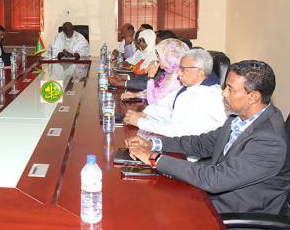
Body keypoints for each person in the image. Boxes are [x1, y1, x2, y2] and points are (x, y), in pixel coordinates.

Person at [126, 60, 290, 214]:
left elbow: (215, 179)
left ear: (253, 96)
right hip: (211, 195)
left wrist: (155, 159)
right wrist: (153, 143)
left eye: (230, 89)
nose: (224, 93)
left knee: (151, 209)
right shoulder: (239, 117)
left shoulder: (269, 139)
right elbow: (201, 143)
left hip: (233, 212)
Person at [124, 48, 227, 136]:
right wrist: (145, 114)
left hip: (188, 155)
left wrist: (141, 122)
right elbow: (166, 105)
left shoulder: (208, 97)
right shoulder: (190, 87)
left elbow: (178, 130)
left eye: (183, 69)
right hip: (176, 142)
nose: (178, 73)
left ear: (200, 72)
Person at [122, 38, 189, 104]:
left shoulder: (177, 78)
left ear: (169, 57)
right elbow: (156, 91)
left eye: (159, 56)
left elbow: (152, 101)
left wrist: (151, 76)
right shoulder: (169, 72)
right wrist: (135, 95)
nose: (157, 59)